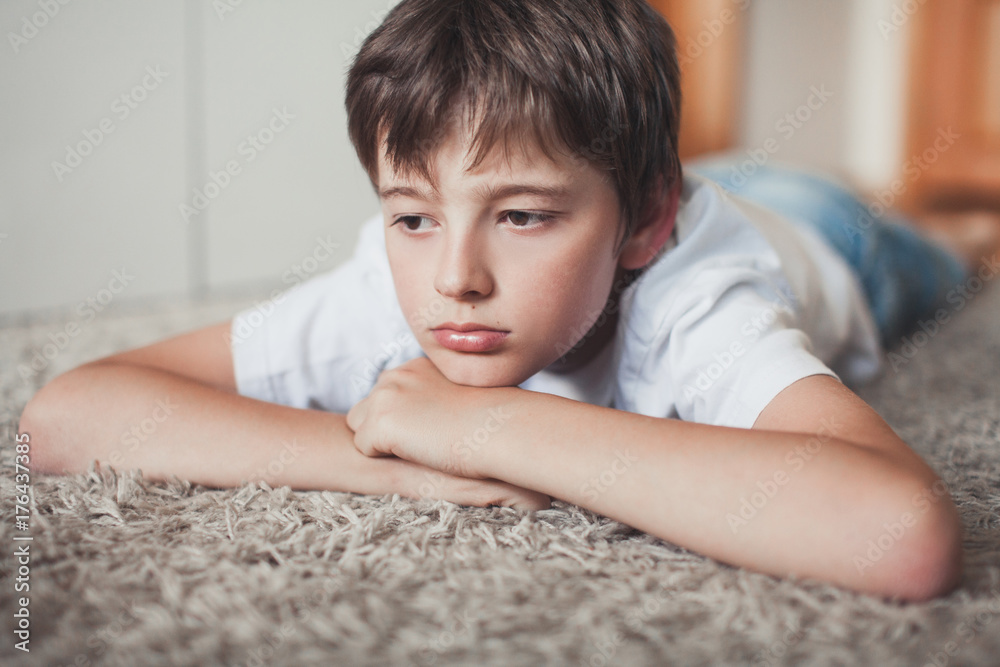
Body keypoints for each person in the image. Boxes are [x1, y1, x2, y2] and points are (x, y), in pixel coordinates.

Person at [21, 0, 998, 603]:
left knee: (941, 256)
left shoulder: (701, 297)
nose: (455, 279)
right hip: (663, 177)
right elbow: (65, 417)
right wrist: (396, 465)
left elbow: (900, 537)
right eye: (412, 215)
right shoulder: (404, 275)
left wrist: (489, 423)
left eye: (522, 217)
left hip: (824, 230)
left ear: (648, 226)